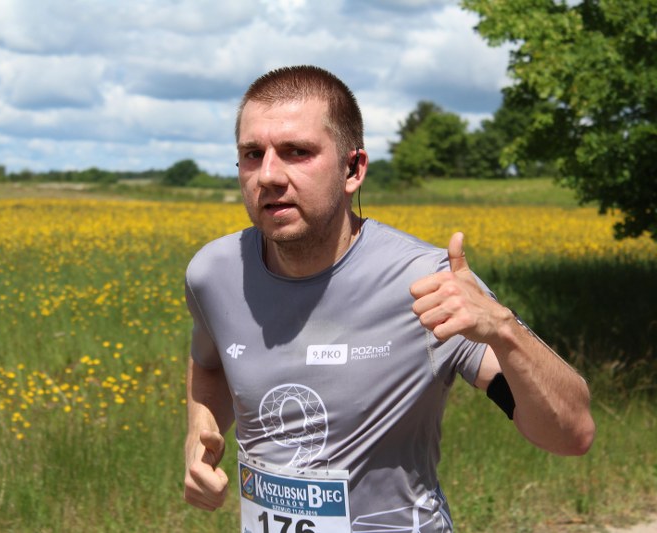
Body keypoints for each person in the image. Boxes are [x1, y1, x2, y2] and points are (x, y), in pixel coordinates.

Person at [183, 65, 595, 532]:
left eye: (298, 152)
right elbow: (210, 363)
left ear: (353, 169)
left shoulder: (426, 282)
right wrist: (199, 436)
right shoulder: (214, 273)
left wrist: (503, 329)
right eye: (252, 154)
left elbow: (572, 433)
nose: (269, 175)